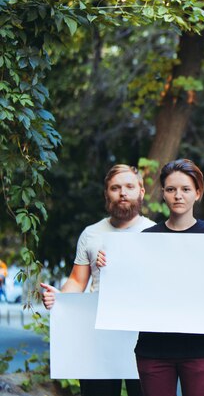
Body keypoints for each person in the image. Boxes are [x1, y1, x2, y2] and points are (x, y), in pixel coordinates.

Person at [96, 159, 204, 396]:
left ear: (198, 193)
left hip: (202, 350)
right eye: (171, 189)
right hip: (154, 351)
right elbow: (131, 287)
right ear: (163, 194)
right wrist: (110, 265)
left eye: (185, 189)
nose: (178, 196)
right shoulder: (145, 239)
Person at [40, 164, 155, 396]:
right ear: (107, 194)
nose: (123, 192)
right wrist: (60, 300)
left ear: (141, 192)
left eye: (130, 187)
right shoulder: (91, 234)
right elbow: (77, 280)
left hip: (145, 335)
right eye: (116, 188)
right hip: (98, 334)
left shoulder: (157, 233)